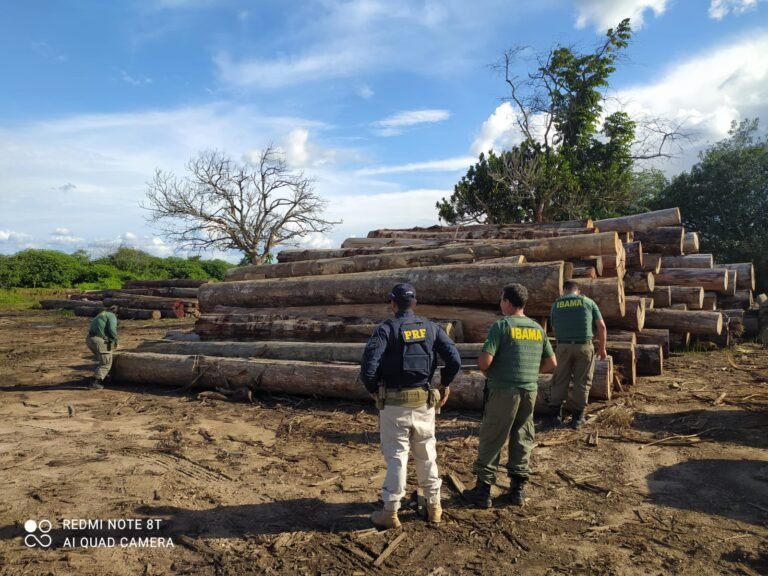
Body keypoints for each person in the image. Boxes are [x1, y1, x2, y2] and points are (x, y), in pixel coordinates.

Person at [360, 283, 462, 529]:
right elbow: (455, 359)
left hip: (393, 405)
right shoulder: (431, 328)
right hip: (425, 403)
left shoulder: (386, 330)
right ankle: (434, 506)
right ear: (414, 303)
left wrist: (374, 391)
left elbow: (368, 367)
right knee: (427, 453)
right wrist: (443, 385)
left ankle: (390, 511)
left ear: (393, 303)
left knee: (397, 456)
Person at [463, 283, 556, 509]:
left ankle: (483, 491)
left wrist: (489, 373)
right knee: (523, 436)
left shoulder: (501, 326)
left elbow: (485, 361)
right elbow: (552, 363)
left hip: (504, 391)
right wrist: (530, 374)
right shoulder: (537, 328)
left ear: (507, 301)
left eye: (501, 299)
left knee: (493, 436)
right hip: (529, 390)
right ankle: (517, 491)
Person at [548, 280, 608, 429]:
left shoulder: (556, 304)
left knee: (560, 379)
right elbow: (601, 326)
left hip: (562, 346)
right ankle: (577, 419)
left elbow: (554, 328)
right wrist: (602, 348)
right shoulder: (587, 302)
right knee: (582, 381)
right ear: (578, 290)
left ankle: (555, 417)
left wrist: (562, 342)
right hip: (584, 346)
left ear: (565, 290)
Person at [85, 305, 119, 390]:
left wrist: (111, 345)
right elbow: (112, 329)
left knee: (105, 357)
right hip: (99, 340)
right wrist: (116, 341)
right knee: (106, 363)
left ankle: (104, 376)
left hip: (91, 339)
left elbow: (106, 333)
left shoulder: (102, 314)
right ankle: (95, 382)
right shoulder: (111, 315)